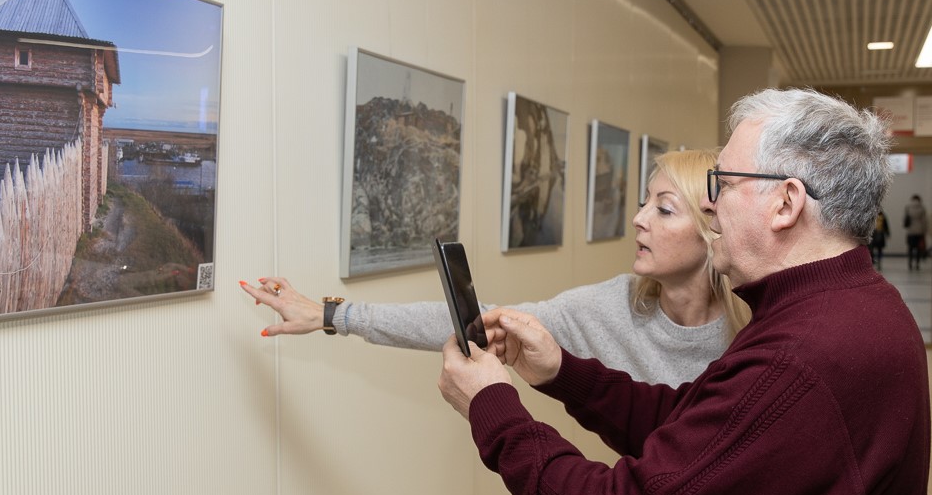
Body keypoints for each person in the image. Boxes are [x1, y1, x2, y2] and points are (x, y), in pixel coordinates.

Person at [437, 88, 930, 495]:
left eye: (723, 183)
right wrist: (564, 374)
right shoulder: (853, 305)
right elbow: (702, 421)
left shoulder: (802, 356)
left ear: (786, 203)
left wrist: (494, 409)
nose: (710, 204)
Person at [240, 148, 750, 387]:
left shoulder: (761, 331)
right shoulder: (615, 306)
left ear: (715, 226)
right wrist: (335, 315)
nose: (637, 220)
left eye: (662, 209)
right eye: (642, 203)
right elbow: (483, 321)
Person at [905, 194, 928, 270]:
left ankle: (910, 263)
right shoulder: (922, 208)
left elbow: (906, 219)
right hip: (919, 231)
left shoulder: (908, 207)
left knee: (910, 248)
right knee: (918, 249)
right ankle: (917, 264)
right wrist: (924, 231)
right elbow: (924, 221)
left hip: (911, 231)